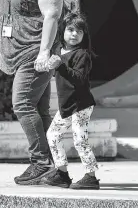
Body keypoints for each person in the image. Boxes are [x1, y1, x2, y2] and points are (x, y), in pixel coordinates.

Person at [0, 0, 64, 185]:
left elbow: (52, 15)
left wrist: (45, 52)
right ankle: (58, 167)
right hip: (20, 51)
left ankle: (41, 162)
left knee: (22, 104)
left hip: (35, 53)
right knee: (39, 109)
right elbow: (14, 6)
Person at [41, 12, 100, 190]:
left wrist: (60, 66)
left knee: (80, 140)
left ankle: (91, 177)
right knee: (53, 135)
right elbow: (57, 69)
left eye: (79, 31)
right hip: (67, 104)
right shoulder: (59, 51)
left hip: (81, 105)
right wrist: (50, 64)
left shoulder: (82, 55)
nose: (74, 34)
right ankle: (62, 173)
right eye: (71, 30)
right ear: (63, 31)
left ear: (84, 36)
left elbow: (80, 79)